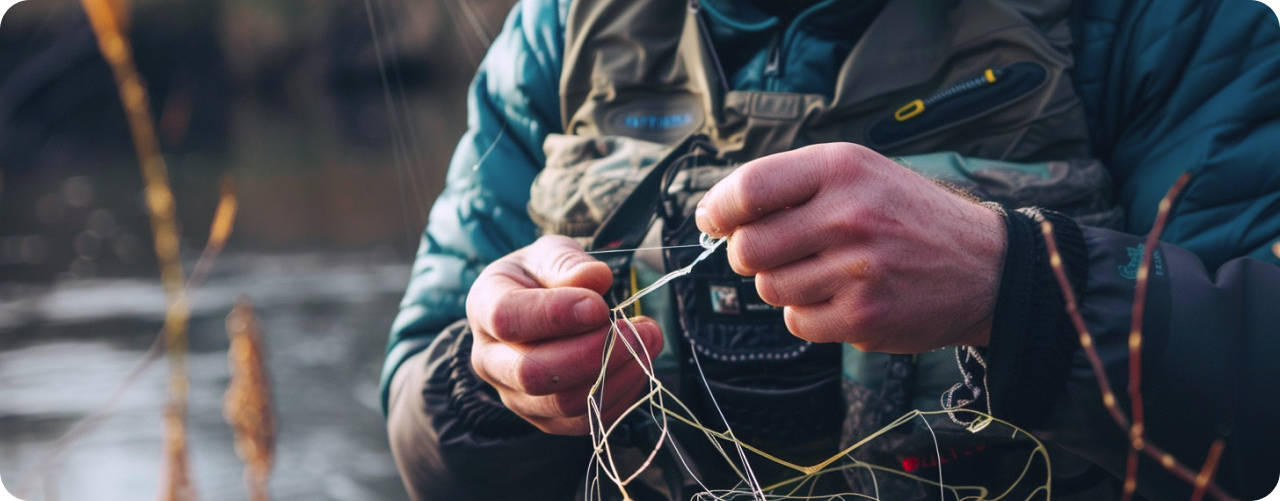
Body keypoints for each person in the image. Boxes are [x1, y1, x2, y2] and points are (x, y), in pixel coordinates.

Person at [381, 0, 1280, 500]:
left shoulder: (1179, 19)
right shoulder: (553, 32)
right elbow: (426, 452)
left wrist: (1020, 291)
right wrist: (489, 378)